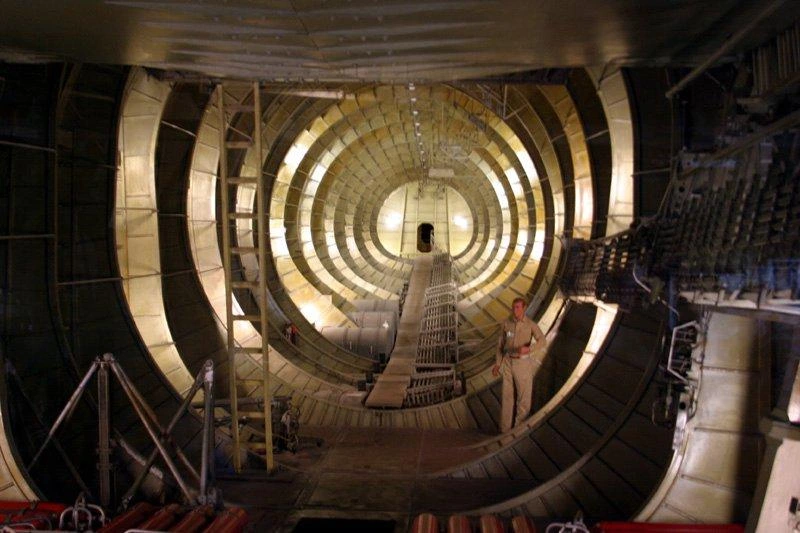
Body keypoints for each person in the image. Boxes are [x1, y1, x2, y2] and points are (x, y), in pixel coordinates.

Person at [493, 297, 546, 433]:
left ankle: (518, 430)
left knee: (523, 399)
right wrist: (497, 364)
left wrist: (529, 349)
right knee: (507, 397)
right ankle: (504, 431)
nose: (515, 310)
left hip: (522, 363)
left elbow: (542, 341)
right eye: (513, 307)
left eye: (518, 307)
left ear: (524, 308)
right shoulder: (506, 324)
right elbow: (500, 345)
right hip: (508, 362)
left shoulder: (530, 325)